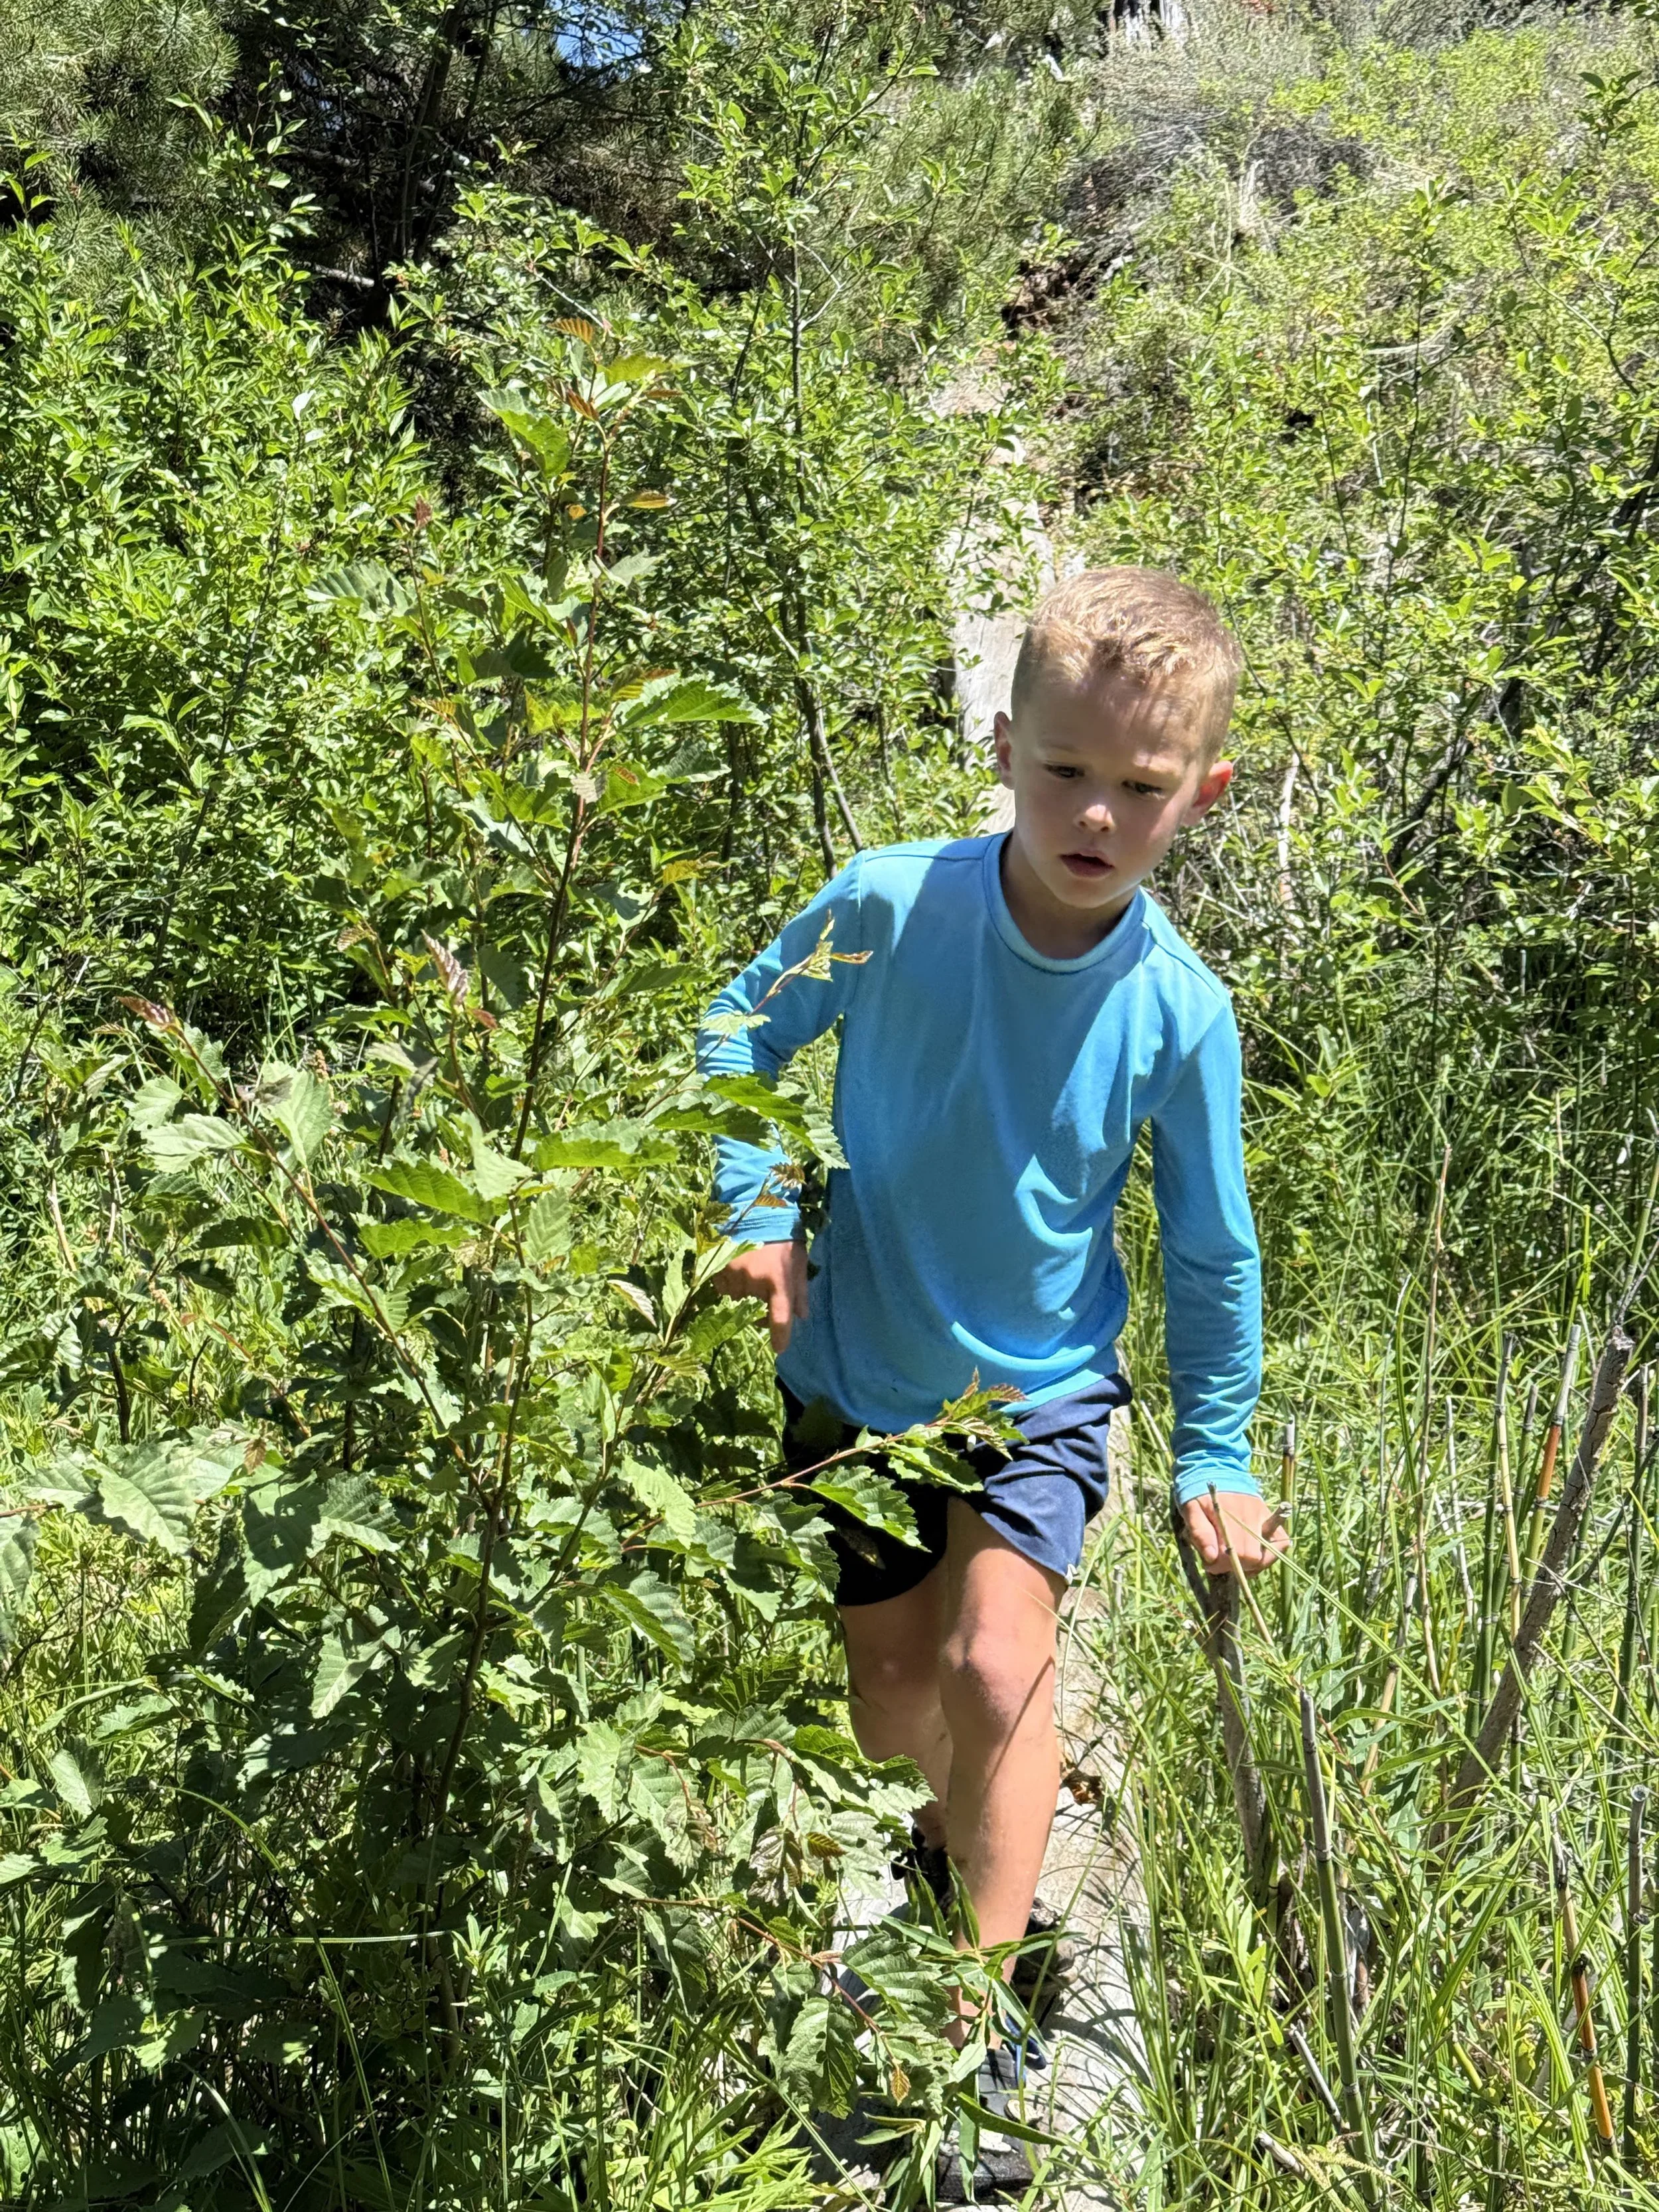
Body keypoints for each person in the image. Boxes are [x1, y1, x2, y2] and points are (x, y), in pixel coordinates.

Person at [697, 566, 1287, 2198]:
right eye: (1062, 771)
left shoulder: (1178, 1009)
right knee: (891, 1692)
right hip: (854, 1373)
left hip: (1040, 1391)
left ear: (1203, 794)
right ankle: (951, 1843)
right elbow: (734, 1030)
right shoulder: (892, 904)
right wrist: (754, 1208)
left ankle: (971, 2010)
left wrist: (1215, 1448)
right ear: (1002, 744)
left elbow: (1211, 1251)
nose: (1094, 813)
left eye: (1140, 787)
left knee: (993, 1648)